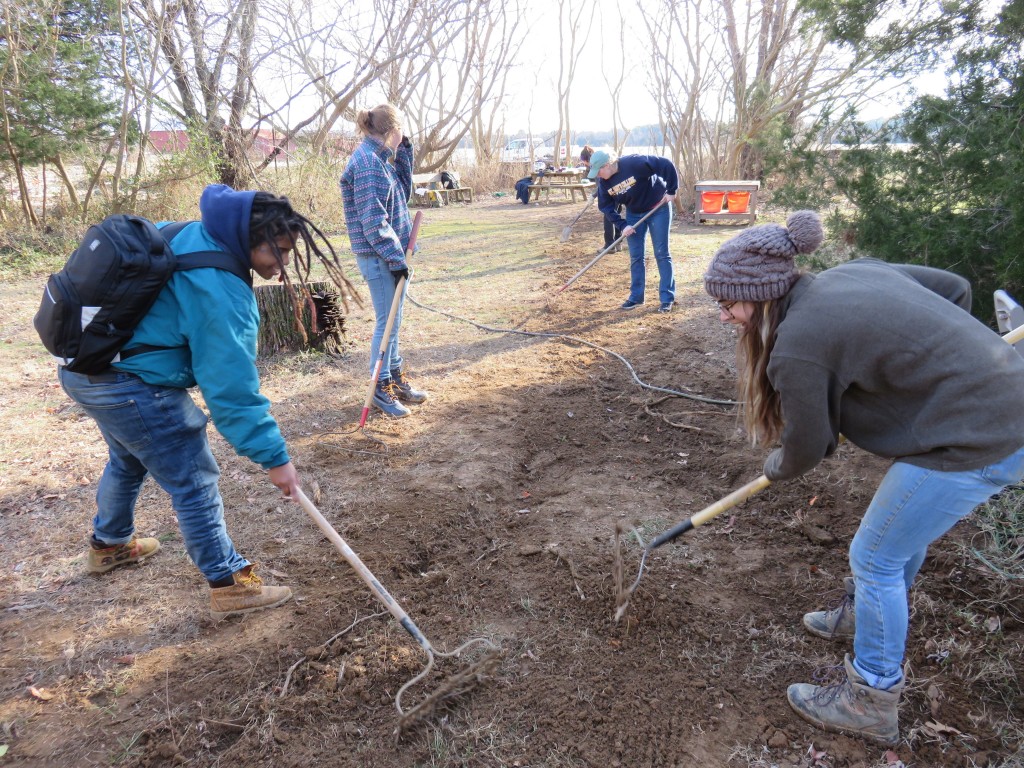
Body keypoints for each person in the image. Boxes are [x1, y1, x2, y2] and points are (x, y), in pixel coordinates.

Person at [703, 210, 1024, 745]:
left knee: (875, 557)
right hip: (1003, 407)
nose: (723, 317)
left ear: (762, 297)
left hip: (982, 438)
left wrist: (774, 467)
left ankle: (871, 698)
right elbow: (956, 289)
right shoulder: (856, 273)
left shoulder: (799, 346)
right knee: (895, 542)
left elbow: (805, 448)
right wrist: (928, 376)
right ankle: (870, 618)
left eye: (729, 303)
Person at [58, 184, 359, 619]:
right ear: (248, 239)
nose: (282, 266)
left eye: (288, 253)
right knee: (193, 476)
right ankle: (228, 583)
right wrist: (275, 458)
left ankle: (111, 545)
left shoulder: (189, 233)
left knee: (129, 457)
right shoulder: (222, 290)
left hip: (83, 367)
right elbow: (230, 392)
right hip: (127, 383)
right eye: (277, 252)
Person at [340, 103, 428, 418]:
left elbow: (400, 195)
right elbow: (372, 220)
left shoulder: (381, 159)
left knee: (395, 322)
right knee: (385, 323)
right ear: (392, 129)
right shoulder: (366, 163)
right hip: (379, 256)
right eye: (402, 131)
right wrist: (395, 257)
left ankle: (395, 376)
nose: (404, 135)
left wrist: (405, 152)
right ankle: (380, 388)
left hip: (393, 254)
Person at [587, 150, 678, 312]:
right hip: (634, 214)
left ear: (607, 165)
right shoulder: (604, 184)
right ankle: (636, 297)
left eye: (599, 171)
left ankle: (667, 298)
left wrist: (672, 190)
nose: (598, 176)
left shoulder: (634, 163)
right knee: (636, 256)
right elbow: (606, 207)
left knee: (661, 253)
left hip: (659, 207)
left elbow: (665, 164)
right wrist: (623, 225)